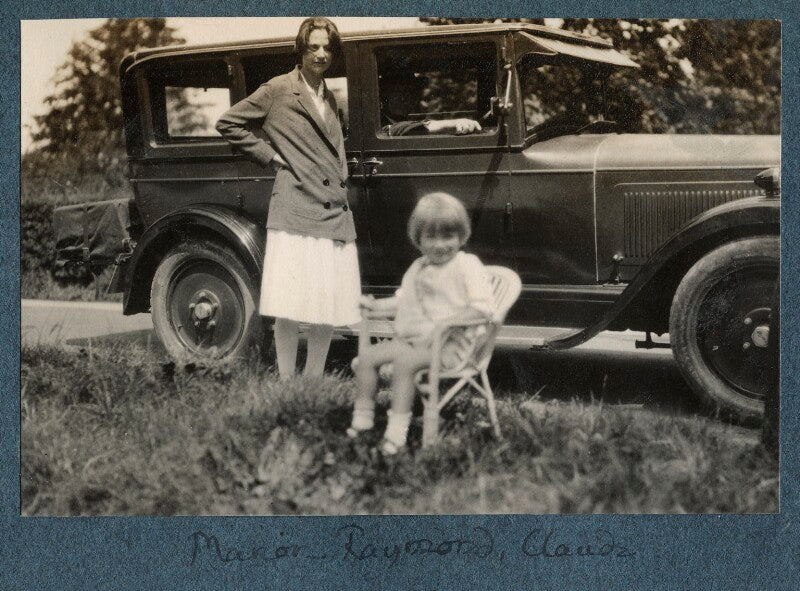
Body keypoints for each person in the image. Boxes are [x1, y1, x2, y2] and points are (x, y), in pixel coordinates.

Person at [215, 17, 360, 379]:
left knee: (326, 305)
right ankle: (286, 380)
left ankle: (311, 382)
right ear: (301, 49)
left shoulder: (330, 97)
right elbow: (229, 122)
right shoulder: (279, 89)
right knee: (290, 304)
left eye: (328, 47)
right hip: (295, 207)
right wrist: (271, 156)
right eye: (314, 47)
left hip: (332, 212)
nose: (321, 54)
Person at [348, 192, 495, 454]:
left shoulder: (467, 265)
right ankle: (363, 418)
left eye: (448, 236)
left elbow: (483, 308)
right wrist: (375, 306)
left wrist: (446, 323)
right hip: (415, 343)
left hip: (452, 346)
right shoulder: (418, 267)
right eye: (431, 237)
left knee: (404, 363)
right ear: (419, 240)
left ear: (461, 236)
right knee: (368, 357)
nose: (440, 245)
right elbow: (402, 301)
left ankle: (396, 432)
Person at [379, 70, 483, 137]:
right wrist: (456, 123)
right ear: (385, 95)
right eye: (401, 92)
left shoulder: (399, 120)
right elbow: (407, 128)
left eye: (412, 91)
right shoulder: (381, 123)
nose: (409, 98)